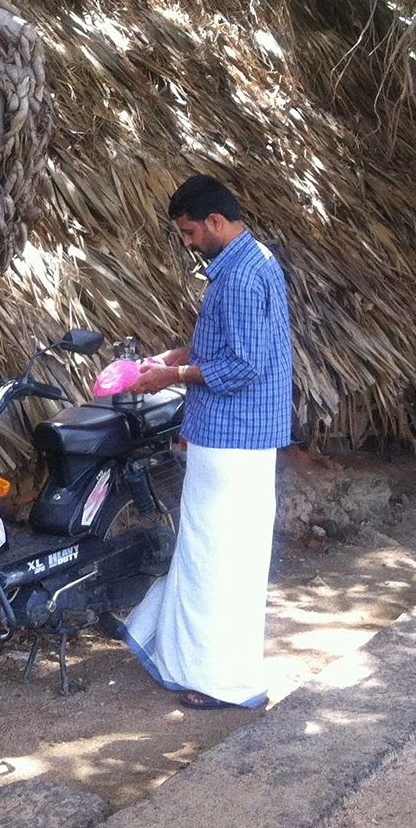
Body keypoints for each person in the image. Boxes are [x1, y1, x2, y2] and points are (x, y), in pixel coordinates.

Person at [116, 174, 293, 710]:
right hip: (246, 438)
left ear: (216, 221)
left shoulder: (237, 277)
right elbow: (231, 340)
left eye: (192, 232)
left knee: (216, 558)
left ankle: (221, 680)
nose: (189, 242)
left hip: (230, 439)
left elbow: (242, 364)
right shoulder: (254, 260)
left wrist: (170, 378)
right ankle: (198, 660)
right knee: (223, 554)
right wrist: (178, 354)